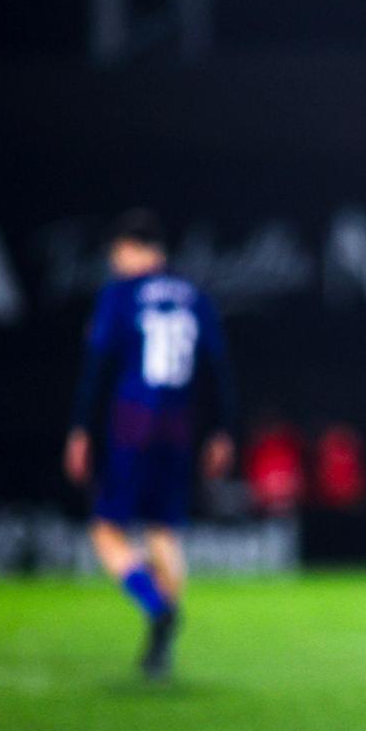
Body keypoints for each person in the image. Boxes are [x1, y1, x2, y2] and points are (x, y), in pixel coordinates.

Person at [64, 209, 236, 680]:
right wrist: (222, 430)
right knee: (164, 530)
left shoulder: (120, 296)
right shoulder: (195, 297)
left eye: (117, 252)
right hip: (179, 426)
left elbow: (97, 368)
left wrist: (80, 429)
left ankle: (155, 606)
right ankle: (160, 647)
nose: (115, 262)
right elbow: (218, 370)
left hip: (133, 423)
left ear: (133, 249)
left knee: (105, 531)